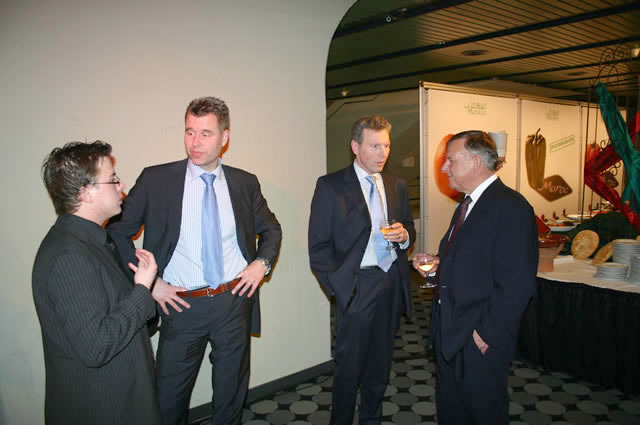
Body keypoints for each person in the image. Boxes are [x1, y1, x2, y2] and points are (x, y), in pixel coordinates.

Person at [107, 96, 282, 425]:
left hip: (233, 301)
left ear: (224, 137)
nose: (195, 142)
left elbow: (271, 229)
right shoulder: (156, 180)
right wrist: (151, 284)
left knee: (231, 397)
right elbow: (117, 232)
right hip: (182, 305)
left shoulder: (244, 183)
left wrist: (262, 264)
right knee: (167, 400)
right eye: (190, 132)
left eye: (205, 133)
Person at [32, 141, 161, 425]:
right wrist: (142, 289)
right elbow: (97, 346)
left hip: (123, 397)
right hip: (106, 407)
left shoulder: (90, 241)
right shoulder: (69, 257)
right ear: (84, 192)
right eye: (112, 179)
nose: (121, 185)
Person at [413, 130, 538, 425]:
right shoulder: (467, 204)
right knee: (453, 410)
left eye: (451, 160)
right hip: (451, 331)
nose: (445, 168)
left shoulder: (512, 207)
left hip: (477, 337)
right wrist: (438, 263)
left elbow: (517, 284)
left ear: (476, 162)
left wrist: (485, 335)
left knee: (483, 413)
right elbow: (474, 261)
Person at [308, 115, 415, 425]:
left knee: (381, 363)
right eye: (374, 146)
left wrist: (405, 236)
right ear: (355, 147)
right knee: (350, 367)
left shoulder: (397, 184)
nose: (383, 154)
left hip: (390, 280)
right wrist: (341, 289)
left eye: (387, 146)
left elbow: (409, 226)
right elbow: (319, 246)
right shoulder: (330, 186)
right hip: (357, 284)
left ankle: (372, 419)